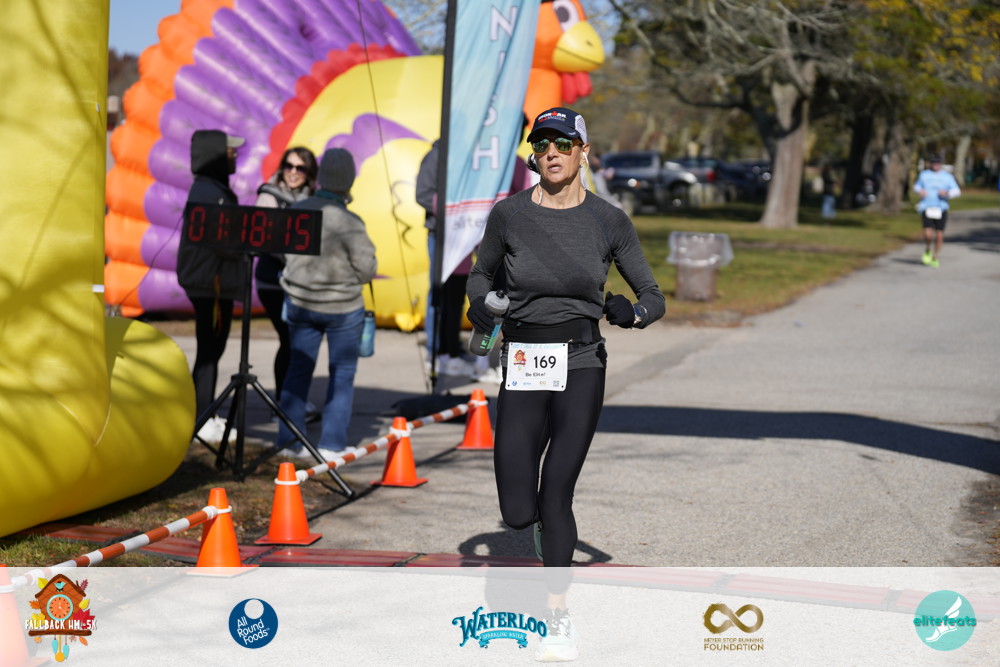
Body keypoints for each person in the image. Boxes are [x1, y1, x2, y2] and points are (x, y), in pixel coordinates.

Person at [466, 107, 665, 661]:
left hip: (581, 362)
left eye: (562, 143)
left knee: (556, 490)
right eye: (542, 144)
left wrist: (632, 313)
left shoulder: (608, 221)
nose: (551, 152)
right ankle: (540, 530)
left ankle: (557, 615)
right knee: (516, 510)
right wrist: (480, 305)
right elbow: (480, 274)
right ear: (534, 154)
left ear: (582, 151)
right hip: (524, 359)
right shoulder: (509, 215)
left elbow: (653, 296)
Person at [276, 148, 377, 459]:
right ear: (349, 179)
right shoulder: (350, 221)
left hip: (300, 303)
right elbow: (367, 270)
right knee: (342, 374)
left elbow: (282, 251)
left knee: (297, 371)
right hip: (343, 308)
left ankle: (289, 443)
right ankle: (332, 444)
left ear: (319, 176)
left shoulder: (298, 210)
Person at [177, 129, 248, 445]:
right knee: (209, 351)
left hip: (211, 283)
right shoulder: (209, 194)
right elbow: (224, 240)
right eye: (230, 152)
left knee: (212, 350)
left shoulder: (211, 189)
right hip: (210, 285)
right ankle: (200, 419)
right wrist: (247, 243)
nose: (235, 156)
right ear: (215, 156)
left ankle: (203, 414)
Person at [254, 147, 319, 415]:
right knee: (290, 340)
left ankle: (291, 402)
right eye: (289, 166)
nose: (293, 172)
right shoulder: (270, 196)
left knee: (296, 342)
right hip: (274, 282)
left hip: (301, 283)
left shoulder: (312, 199)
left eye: (300, 168)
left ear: (309, 173)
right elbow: (267, 240)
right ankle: (285, 404)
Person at [415, 140, 478, 378]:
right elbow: (422, 194)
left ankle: (452, 346)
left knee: (458, 294)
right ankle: (435, 349)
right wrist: (457, 208)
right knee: (439, 293)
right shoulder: (437, 155)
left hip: (467, 234)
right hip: (442, 234)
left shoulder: (473, 152)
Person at [913, 154, 961, 268]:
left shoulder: (947, 176)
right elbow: (916, 186)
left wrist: (947, 193)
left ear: (941, 164)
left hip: (941, 208)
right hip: (926, 206)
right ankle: (928, 249)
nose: (936, 165)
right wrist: (920, 191)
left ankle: (935, 256)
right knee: (928, 233)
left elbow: (957, 191)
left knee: (939, 235)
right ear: (931, 163)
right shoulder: (924, 174)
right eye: (934, 163)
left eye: (938, 163)